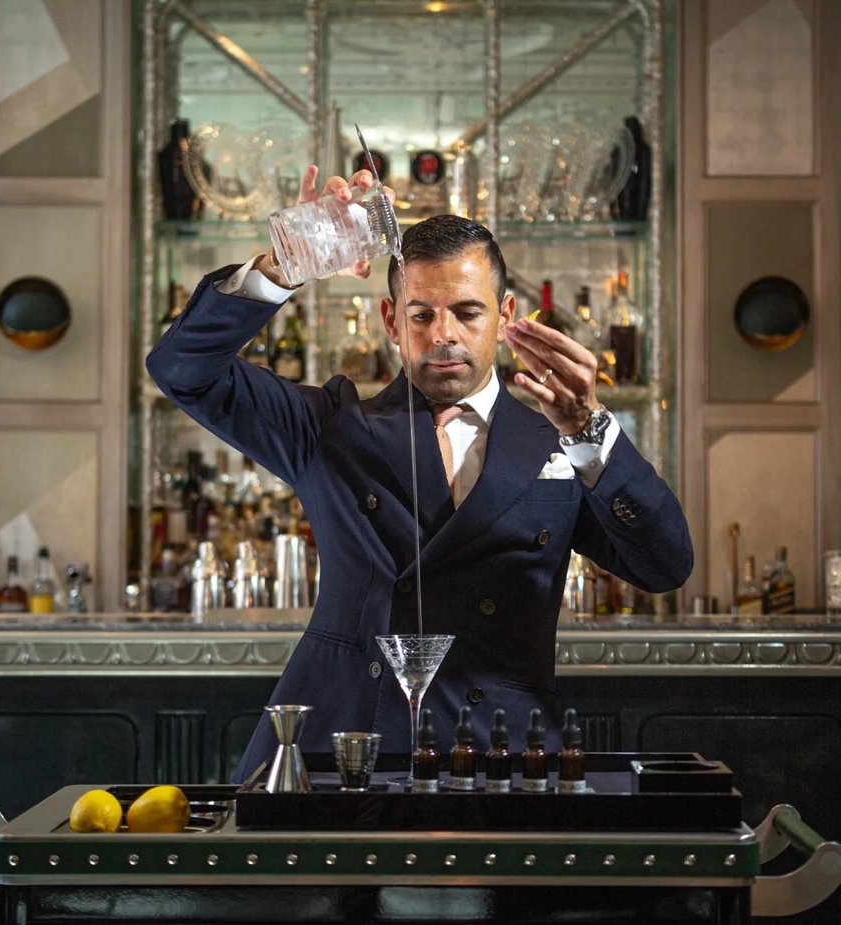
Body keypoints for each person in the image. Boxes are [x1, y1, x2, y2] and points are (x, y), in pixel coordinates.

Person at [146, 167, 693, 782]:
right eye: (421, 315)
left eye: (467, 312)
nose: (444, 336)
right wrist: (286, 263)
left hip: (498, 754)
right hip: (345, 746)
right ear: (390, 320)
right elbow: (181, 369)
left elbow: (664, 566)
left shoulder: (559, 441)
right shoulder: (330, 428)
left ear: (506, 315)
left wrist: (592, 432)